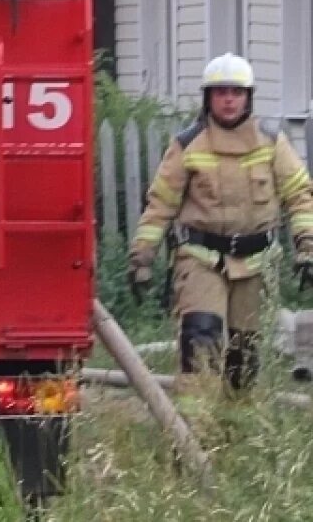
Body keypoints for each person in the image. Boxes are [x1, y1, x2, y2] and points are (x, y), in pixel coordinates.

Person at [127, 52, 313, 394]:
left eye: (236, 92)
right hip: (201, 259)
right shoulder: (187, 145)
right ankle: (194, 434)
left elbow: (300, 195)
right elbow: (160, 205)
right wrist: (141, 258)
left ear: (248, 97)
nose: (229, 100)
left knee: (245, 353)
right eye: (220, 92)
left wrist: (307, 248)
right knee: (200, 337)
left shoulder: (271, 143)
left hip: (257, 263)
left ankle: (238, 428)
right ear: (208, 98)